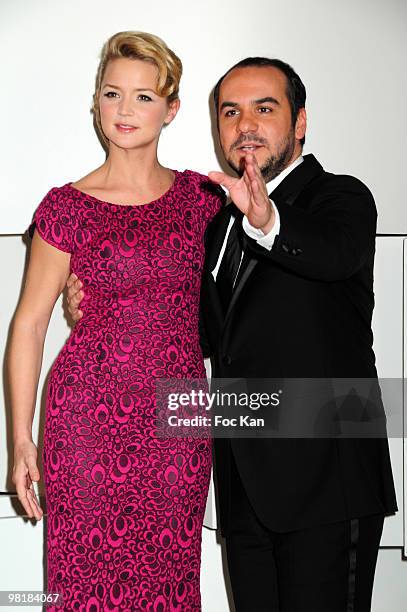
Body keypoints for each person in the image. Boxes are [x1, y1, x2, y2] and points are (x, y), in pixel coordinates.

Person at [66, 58, 398, 611]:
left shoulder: (340, 198)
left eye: (264, 109)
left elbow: (332, 253)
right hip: (245, 491)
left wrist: (267, 221)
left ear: (300, 122)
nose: (246, 123)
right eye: (231, 111)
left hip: (329, 486)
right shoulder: (217, 223)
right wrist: (104, 304)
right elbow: (188, 328)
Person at [10, 31, 224, 611]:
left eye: (144, 96)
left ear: (171, 109)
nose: (126, 110)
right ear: (96, 104)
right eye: (112, 94)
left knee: (172, 579)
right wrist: (21, 439)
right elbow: (29, 324)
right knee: (80, 584)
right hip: (84, 417)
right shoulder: (64, 207)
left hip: (177, 417)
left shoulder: (205, 200)